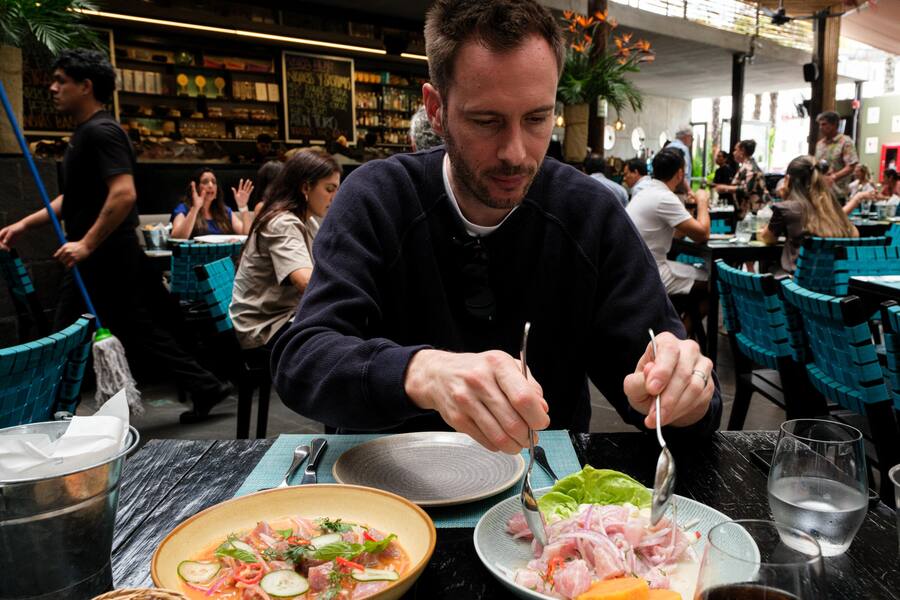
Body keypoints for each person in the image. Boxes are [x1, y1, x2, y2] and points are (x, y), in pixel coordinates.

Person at [272, 0, 721, 453]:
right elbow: (302, 360)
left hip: (544, 500)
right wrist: (421, 372)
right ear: (436, 108)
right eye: (486, 121)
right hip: (385, 498)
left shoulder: (589, 213)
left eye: (536, 119)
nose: (516, 153)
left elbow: (670, 400)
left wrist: (686, 392)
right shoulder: (377, 198)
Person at [0, 49, 231, 422]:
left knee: (66, 334)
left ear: (86, 86)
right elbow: (71, 198)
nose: (52, 87)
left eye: (61, 80)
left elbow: (123, 193)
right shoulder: (85, 135)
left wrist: (86, 243)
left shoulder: (102, 132)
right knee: (137, 326)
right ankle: (205, 385)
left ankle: (45, 416)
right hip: (105, 254)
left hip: (105, 255)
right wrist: (25, 224)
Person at [230, 150, 341, 350]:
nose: (336, 197)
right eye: (329, 189)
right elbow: (305, 280)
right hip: (264, 328)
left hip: (286, 317)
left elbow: (332, 262)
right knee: (346, 342)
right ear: (306, 187)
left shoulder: (308, 220)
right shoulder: (283, 222)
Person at [626, 149, 710, 297]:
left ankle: (679, 319)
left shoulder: (645, 192)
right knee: (711, 280)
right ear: (679, 174)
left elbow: (678, 233)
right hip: (649, 271)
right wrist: (702, 200)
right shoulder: (664, 197)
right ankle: (684, 321)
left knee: (695, 273)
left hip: (631, 267)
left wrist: (686, 213)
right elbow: (702, 235)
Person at [759, 155, 858, 274]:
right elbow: (855, 234)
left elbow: (768, 238)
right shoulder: (832, 206)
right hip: (837, 284)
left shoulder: (786, 208)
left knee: (768, 266)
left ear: (787, 179)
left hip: (797, 287)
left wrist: (786, 199)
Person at [170, 168, 254, 238]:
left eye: (214, 182)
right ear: (195, 187)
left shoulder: (225, 211)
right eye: (205, 182)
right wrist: (195, 209)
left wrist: (243, 207)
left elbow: (247, 235)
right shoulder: (183, 208)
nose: (210, 185)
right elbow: (177, 238)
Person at [715, 139, 767, 219]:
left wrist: (726, 188)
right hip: (746, 212)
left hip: (751, 213)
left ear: (742, 151)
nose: (733, 153)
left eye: (736, 150)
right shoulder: (746, 166)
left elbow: (746, 189)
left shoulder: (750, 167)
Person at [814, 111, 858, 204]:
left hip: (838, 194)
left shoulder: (845, 142)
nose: (820, 128)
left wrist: (834, 177)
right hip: (820, 192)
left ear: (834, 125)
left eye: (824, 124)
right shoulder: (820, 144)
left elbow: (851, 166)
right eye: (820, 125)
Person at [666, 125, 694, 191]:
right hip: (679, 190)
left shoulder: (668, 146)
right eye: (691, 137)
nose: (692, 140)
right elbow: (683, 174)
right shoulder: (683, 149)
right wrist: (689, 191)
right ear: (686, 136)